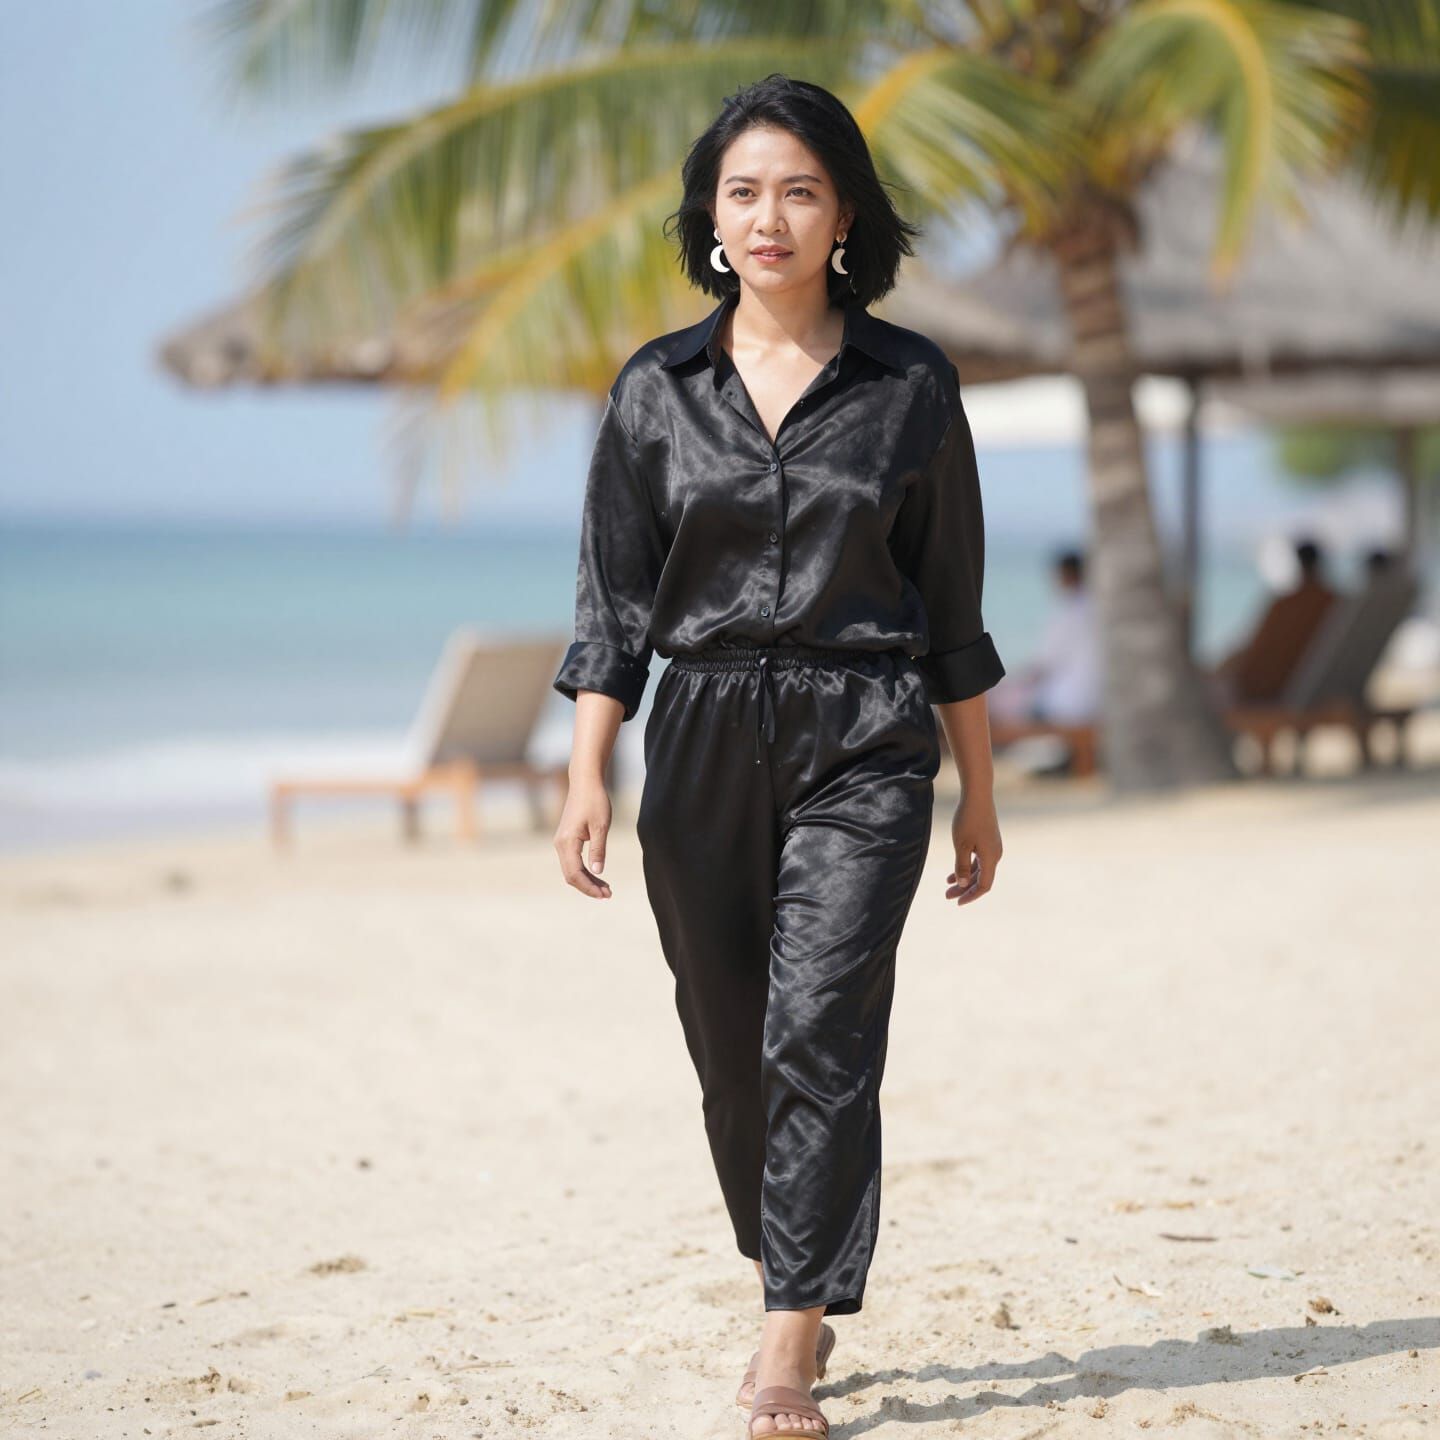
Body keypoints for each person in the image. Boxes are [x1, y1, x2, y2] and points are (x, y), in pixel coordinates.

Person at [551, 75, 1006, 1440]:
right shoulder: (656, 390)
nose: (769, 216)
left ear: (845, 214)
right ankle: (791, 1254)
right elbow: (613, 605)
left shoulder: (911, 383)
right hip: (696, 734)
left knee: (822, 1030)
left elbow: (952, 599)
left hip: (866, 733)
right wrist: (586, 770)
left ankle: (787, 1341)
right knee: (729, 1038)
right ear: (709, 217)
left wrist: (980, 787)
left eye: (800, 190)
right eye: (743, 191)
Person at [1211, 537, 1340, 705]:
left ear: (1298, 562)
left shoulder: (1289, 605)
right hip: (1298, 682)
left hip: (1265, 688)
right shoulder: (1333, 603)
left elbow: (1260, 647)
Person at [988, 548, 1100, 727]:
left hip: (1066, 705)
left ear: (1066, 575)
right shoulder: (1097, 607)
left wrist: (1006, 688)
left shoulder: (1069, 611)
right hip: (1095, 701)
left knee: (993, 704)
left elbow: (1042, 667)